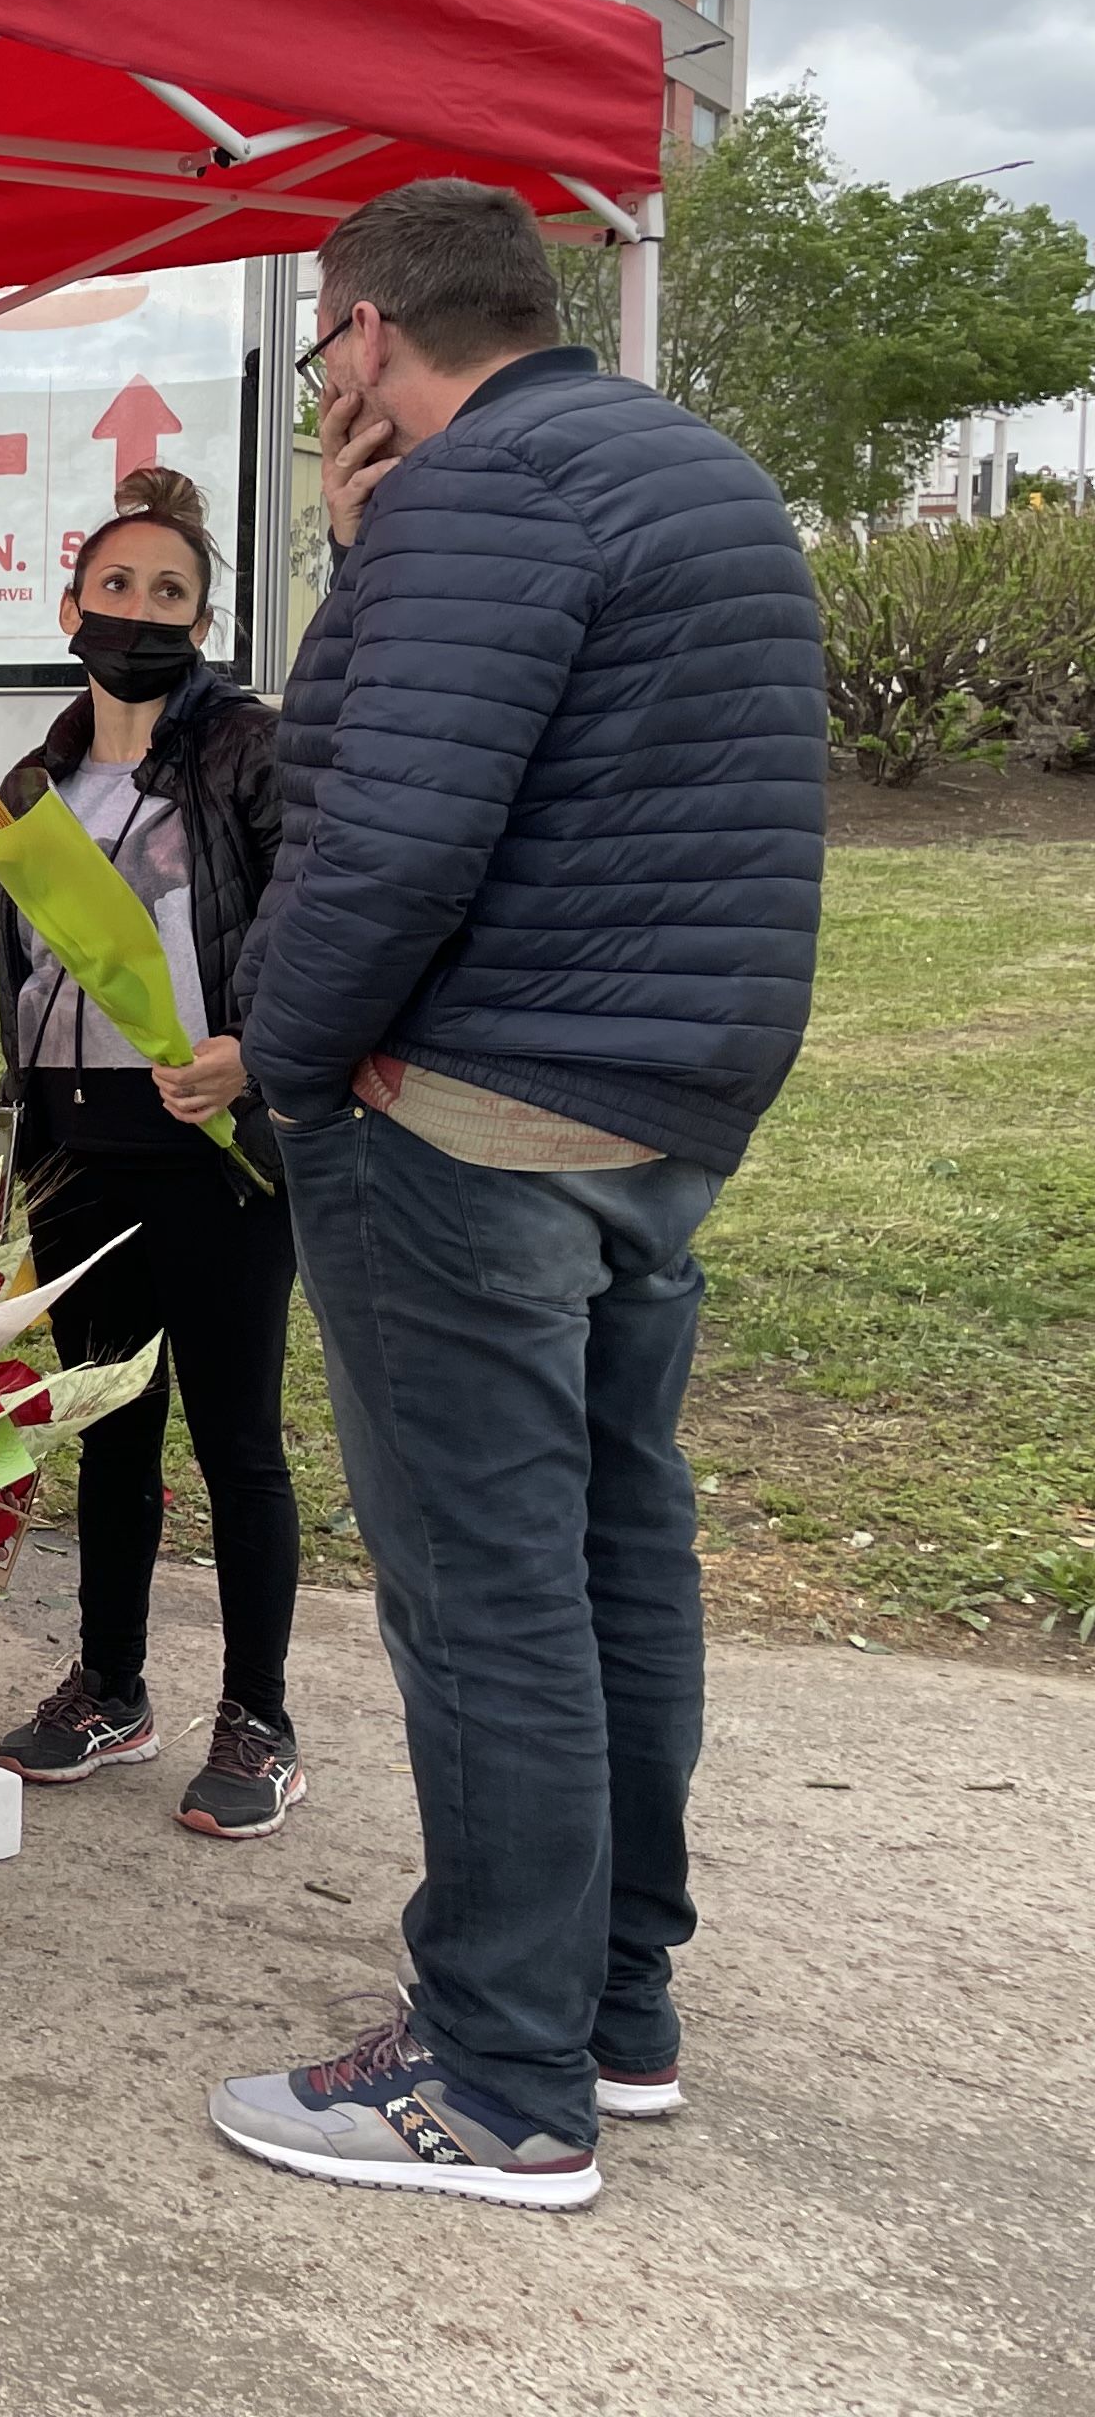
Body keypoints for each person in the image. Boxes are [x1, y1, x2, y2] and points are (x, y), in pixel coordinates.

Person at [208, 180, 825, 2211]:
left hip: (465, 1120)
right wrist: (371, 547)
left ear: (369, 331)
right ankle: (612, 2004)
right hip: (662, 1115)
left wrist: (288, 1071)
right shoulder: (691, 472)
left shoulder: (487, 495)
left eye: (324, 346)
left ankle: (494, 2076)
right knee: (612, 1550)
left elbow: (377, 833)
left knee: (485, 1595)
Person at [0, 466, 303, 1839]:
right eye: (118, 587)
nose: (140, 611)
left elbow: (317, 913)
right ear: (73, 609)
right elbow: (24, 974)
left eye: (170, 593)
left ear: (203, 619)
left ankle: (262, 1719)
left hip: (214, 1141)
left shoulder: (251, 752)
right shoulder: (31, 783)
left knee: (236, 1440)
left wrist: (259, 1048)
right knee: (108, 1425)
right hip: (77, 1142)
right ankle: (109, 1684)